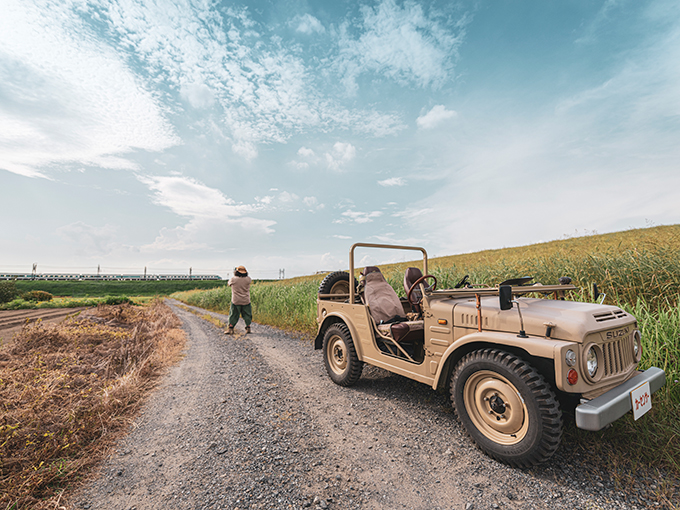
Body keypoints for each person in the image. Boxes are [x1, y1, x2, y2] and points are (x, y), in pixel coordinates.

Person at [227, 265, 252, 334]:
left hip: (236, 300)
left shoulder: (233, 279)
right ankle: (248, 327)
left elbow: (229, 283)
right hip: (246, 300)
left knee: (233, 314)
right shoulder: (248, 279)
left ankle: (230, 329)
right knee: (247, 314)